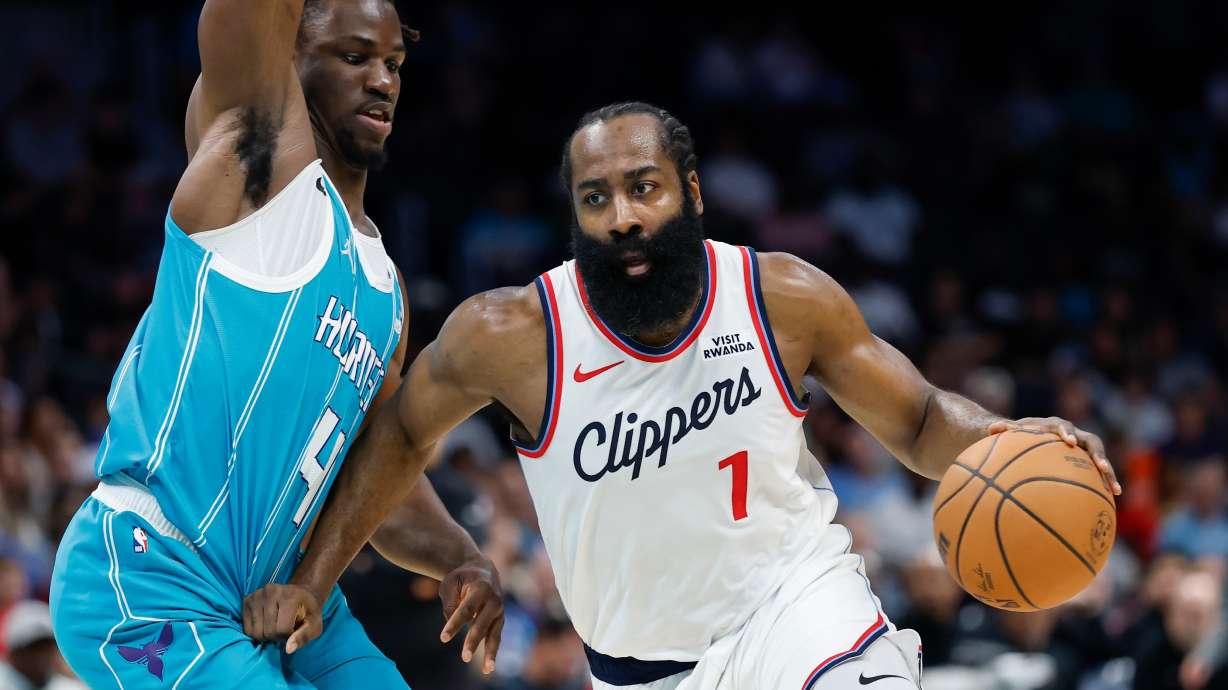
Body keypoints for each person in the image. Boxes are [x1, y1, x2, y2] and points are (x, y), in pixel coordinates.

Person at [247, 101, 1120, 689]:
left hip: (799, 605)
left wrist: (1009, 439)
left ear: (691, 192)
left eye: (643, 187)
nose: (622, 216)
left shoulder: (782, 297)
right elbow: (396, 439)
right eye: (596, 199)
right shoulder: (511, 335)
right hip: (641, 669)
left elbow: (921, 418)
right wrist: (314, 580)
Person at [47, 2, 502, 688]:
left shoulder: (387, 292)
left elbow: (375, 476)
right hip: (152, 570)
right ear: (289, 56)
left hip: (280, 593)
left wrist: (460, 555)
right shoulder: (255, 171)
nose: (381, 80)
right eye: (354, 57)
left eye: (393, 63)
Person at [0, 600, 86, 690]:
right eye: (34, 649)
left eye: (47, 648)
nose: (42, 657)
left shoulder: (69, 687)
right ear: (14, 653)